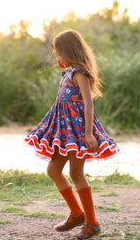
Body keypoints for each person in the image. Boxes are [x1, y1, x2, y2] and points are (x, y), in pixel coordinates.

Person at [25, 29, 120, 239]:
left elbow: (88, 104)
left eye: (59, 53)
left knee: (76, 174)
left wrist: (88, 134)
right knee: (53, 169)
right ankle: (77, 214)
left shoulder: (79, 73)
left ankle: (92, 224)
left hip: (77, 132)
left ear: (69, 51)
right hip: (63, 131)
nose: (57, 58)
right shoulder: (68, 72)